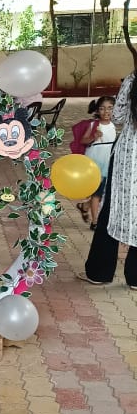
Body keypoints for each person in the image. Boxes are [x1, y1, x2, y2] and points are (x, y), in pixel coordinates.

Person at [81, 74, 137, 288]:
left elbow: (118, 117)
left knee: (112, 209)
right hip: (127, 157)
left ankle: (100, 272)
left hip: (128, 157)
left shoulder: (133, 79)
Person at [75, 96, 117, 229]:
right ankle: (95, 222)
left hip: (108, 162)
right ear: (97, 110)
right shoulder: (94, 125)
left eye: (110, 108)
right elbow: (83, 140)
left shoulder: (113, 125)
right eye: (102, 108)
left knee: (103, 192)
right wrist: (94, 136)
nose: (106, 111)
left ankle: (85, 206)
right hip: (96, 163)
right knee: (97, 194)